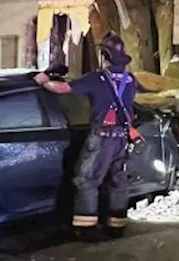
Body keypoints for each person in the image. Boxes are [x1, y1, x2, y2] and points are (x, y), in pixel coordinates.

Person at [34, 33, 139, 239]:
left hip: (102, 137)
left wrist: (43, 80)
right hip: (123, 138)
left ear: (104, 56)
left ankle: (86, 229)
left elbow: (62, 88)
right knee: (118, 182)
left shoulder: (97, 78)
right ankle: (116, 227)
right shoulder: (131, 80)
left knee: (87, 181)